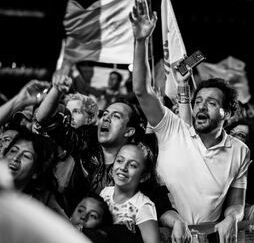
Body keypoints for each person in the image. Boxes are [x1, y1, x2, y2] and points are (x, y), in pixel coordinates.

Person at [131, 0, 250, 242]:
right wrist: (141, 40)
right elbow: (142, 92)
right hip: (162, 236)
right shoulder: (173, 129)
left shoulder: (240, 151)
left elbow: (236, 203)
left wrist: (232, 219)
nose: (201, 107)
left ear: (227, 113)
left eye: (212, 103)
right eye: (198, 102)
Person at [35, 70, 190, 242]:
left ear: (129, 131)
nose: (106, 119)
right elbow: (44, 119)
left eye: (115, 116)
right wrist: (57, 89)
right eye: (104, 115)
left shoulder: (136, 163)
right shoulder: (85, 142)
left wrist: (177, 222)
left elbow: (161, 205)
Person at [100, 143, 161, 243]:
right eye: (119, 161)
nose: (123, 167)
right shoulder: (105, 193)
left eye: (132, 165)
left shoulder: (143, 206)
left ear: (143, 177)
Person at [1, 129, 66, 217]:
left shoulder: (37, 211)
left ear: (36, 172)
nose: (15, 158)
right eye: (13, 151)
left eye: (26, 156)